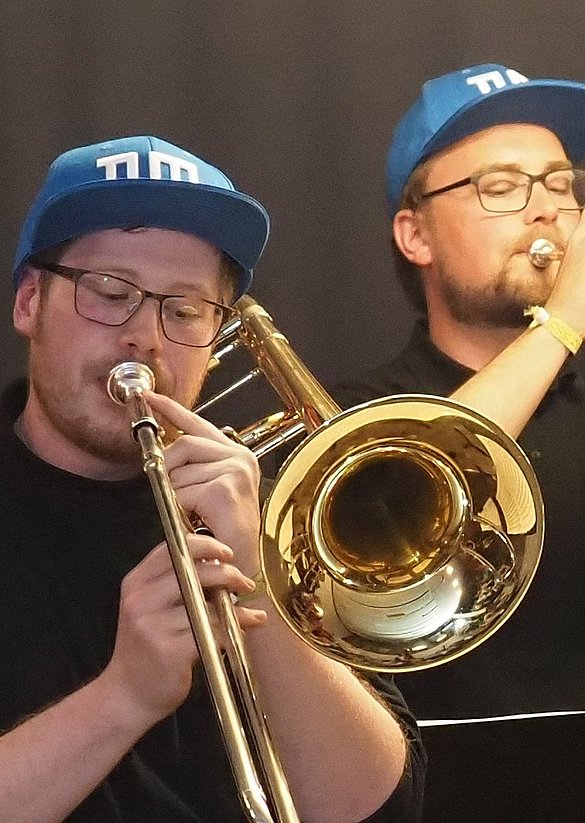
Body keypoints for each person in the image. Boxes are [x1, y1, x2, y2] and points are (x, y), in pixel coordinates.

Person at [1, 135, 422, 821]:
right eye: (111, 292)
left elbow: (378, 807)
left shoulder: (265, 509)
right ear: (29, 303)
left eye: (185, 310)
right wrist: (124, 697)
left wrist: (256, 573)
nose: (145, 336)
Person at [337, 63, 585, 720]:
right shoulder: (356, 418)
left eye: (561, 183)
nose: (548, 208)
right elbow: (414, 471)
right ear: (416, 235)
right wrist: (566, 321)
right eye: (501, 186)